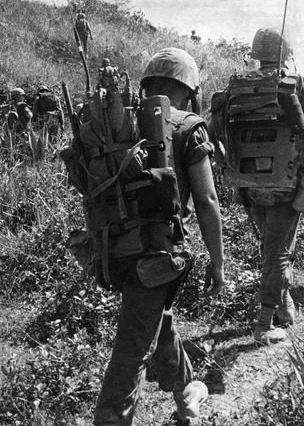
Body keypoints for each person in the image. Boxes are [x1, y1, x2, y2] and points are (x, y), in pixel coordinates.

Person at [91, 47, 224, 425]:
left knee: (153, 317)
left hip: (111, 248)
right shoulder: (189, 126)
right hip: (157, 256)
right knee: (131, 352)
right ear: (190, 89)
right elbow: (208, 199)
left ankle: (186, 391)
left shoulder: (122, 125)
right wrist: (218, 263)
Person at [208, 28, 304, 344]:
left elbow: (214, 131)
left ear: (256, 55)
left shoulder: (238, 89)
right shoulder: (297, 85)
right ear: (285, 52)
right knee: (279, 252)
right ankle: (264, 324)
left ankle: (283, 310)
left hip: (248, 185)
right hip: (288, 184)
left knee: (272, 247)